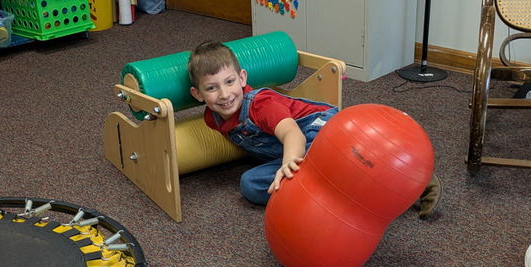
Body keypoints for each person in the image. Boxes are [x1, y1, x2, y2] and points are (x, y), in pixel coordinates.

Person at [187, 40, 442, 215]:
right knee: (250, 185)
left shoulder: (260, 104)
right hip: (295, 155)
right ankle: (328, 187)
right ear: (198, 94)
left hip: (316, 130)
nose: (224, 94)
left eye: (230, 82)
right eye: (212, 88)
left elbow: (291, 133)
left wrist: (289, 166)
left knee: (346, 157)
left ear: (242, 78)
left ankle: (413, 182)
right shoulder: (213, 119)